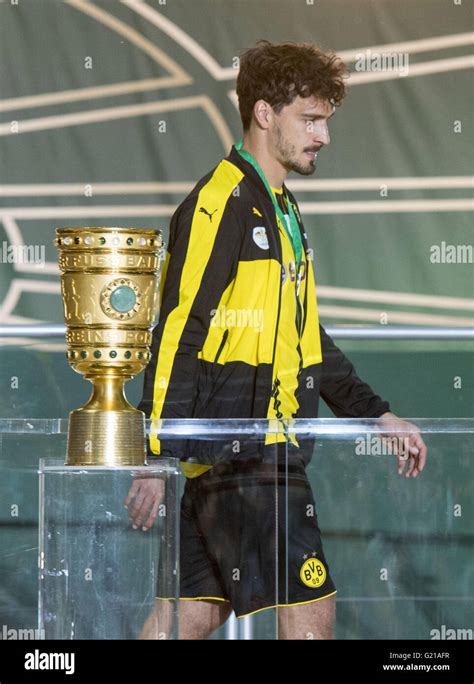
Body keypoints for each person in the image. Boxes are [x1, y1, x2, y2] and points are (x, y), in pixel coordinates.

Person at [125, 40, 427, 640]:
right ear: (265, 114)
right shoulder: (220, 203)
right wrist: (156, 454)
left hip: (241, 460)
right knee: (311, 618)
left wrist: (376, 413)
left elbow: (305, 339)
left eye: (324, 121)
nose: (323, 136)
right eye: (310, 120)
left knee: (187, 617)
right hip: (252, 461)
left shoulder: (282, 210)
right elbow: (180, 329)